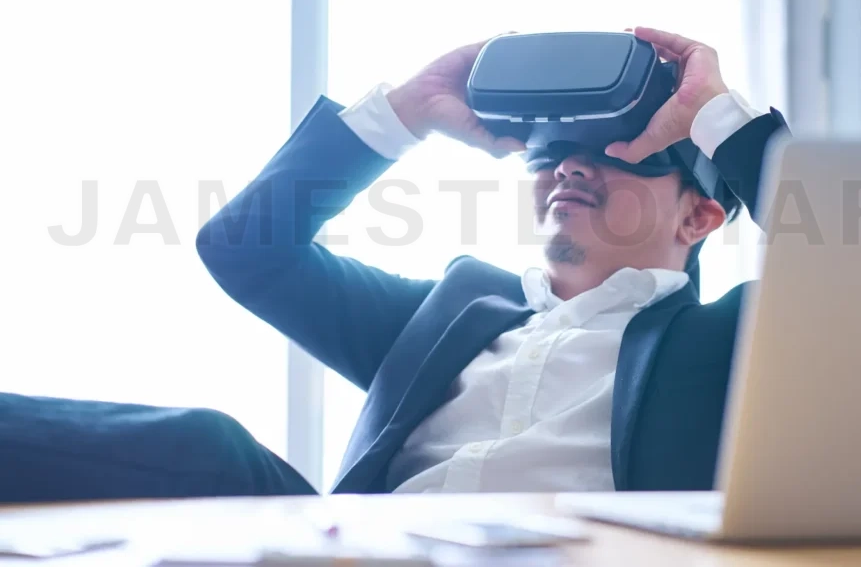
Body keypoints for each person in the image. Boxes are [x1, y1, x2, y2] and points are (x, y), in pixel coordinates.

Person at [0, 27, 787, 503]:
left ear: (700, 214)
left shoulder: (737, 343)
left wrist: (722, 120)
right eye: (551, 153)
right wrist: (405, 109)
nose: (570, 169)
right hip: (361, 549)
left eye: (621, 154)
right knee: (206, 447)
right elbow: (247, 249)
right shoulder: (448, 313)